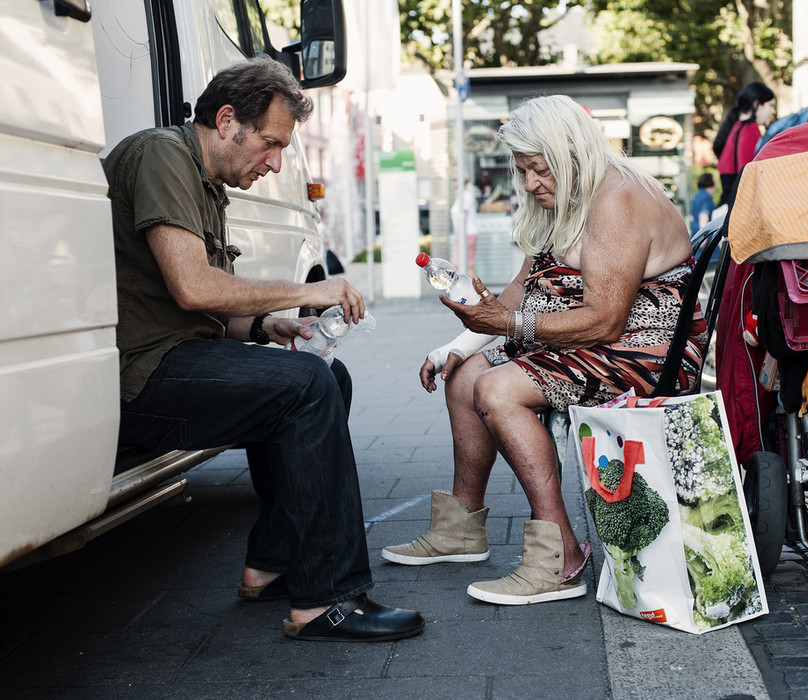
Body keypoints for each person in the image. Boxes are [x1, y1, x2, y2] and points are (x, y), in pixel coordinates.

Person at [102, 57, 424, 643]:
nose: (276, 163)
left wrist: (264, 327)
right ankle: (329, 596)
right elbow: (193, 286)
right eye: (270, 144)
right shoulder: (160, 154)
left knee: (327, 376)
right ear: (227, 121)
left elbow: (198, 308)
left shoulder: (205, 183)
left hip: (178, 360)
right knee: (305, 388)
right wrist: (309, 289)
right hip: (140, 377)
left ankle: (271, 563)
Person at [381, 95, 706, 606]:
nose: (531, 183)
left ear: (573, 154)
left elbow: (605, 318)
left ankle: (562, 558)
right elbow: (515, 294)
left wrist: (507, 324)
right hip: (594, 341)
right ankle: (461, 529)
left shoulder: (616, 198)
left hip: (643, 351)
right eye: (524, 170)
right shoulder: (566, 199)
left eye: (539, 169)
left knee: (498, 390)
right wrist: (455, 345)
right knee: (464, 375)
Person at [713, 82, 776, 206]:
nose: (773, 111)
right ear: (756, 104)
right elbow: (748, 173)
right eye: (771, 105)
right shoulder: (750, 129)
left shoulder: (735, 128)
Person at [451, 178, 479, 278]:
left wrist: (459, 235)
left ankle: (472, 291)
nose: (453, 182)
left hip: (467, 234)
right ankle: (475, 291)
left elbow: (463, 215)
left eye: (454, 179)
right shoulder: (463, 196)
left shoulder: (466, 196)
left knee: (461, 263)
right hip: (465, 234)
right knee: (465, 264)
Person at [690, 172, 716, 237]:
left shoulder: (697, 195)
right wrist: (703, 237)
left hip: (695, 232)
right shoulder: (706, 197)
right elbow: (703, 215)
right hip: (703, 234)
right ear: (710, 181)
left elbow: (692, 218)